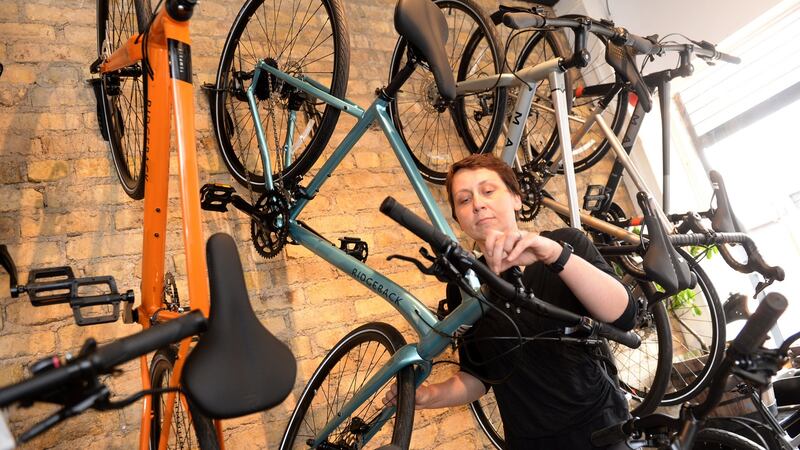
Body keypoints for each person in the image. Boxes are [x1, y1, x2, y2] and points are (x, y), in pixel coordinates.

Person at [385, 154, 637, 449]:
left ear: (516, 198)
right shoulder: (464, 288)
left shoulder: (566, 243)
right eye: (464, 200)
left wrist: (554, 255)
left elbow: (624, 315)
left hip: (600, 428)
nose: (478, 204)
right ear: (459, 220)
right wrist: (429, 396)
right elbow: (478, 376)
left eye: (488, 191)